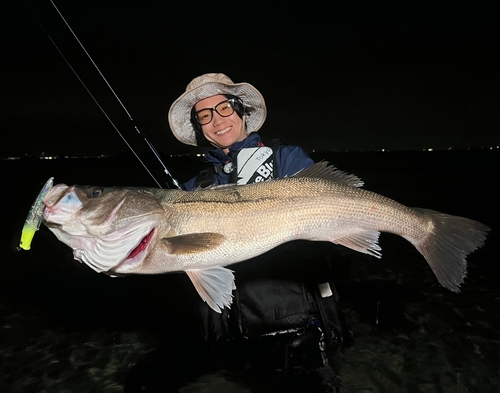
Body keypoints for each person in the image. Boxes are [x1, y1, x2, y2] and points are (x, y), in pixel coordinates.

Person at [167, 73, 350, 391]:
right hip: (233, 338)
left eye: (224, 108)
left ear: (240, 111)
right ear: (199, 126)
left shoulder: (286, 160)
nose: (216, 121)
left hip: (300, 332)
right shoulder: (194, 189)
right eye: (204, 115)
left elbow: (330, 230)